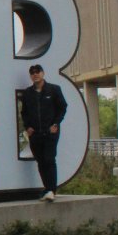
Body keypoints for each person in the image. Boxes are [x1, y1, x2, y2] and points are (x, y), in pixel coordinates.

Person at [19, 64, 68, 202]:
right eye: (32, 72)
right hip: (35, 133)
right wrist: (27, 126)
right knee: (41, 161)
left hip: (50, 132)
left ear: (43, 73)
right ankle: (46, 188)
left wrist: (56, 123)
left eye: (37, 72)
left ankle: (52, 189)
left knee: (49, 159)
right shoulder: (28, 93)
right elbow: (24, 112)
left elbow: (63, 107)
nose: (35, 74)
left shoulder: (54, 89)